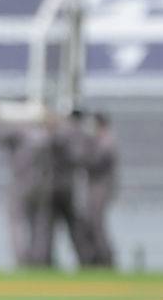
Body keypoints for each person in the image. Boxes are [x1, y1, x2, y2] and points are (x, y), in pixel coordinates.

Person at [0, 103, 53, 266]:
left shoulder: (20, 131)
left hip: (21, 183)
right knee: (41, 224)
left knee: (17, 222)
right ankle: (41, 261)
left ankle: (22, 260)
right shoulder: (47, 133)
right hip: (44, 184)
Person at [48, 111, 97, 267]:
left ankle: (44, 261)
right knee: (76, 228)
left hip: (55, 187)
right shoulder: (84, 136)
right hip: (72, 187)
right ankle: (86, 260)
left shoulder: (61, 133)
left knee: (48, 228)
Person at [83, 112, 118, 267]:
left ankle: (104, 260)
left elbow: (96, 161)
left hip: (101, 188)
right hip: (95, 187)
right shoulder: (101, 140)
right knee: (92, 223)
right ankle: (97, 258)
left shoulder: (106, 141)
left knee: (97, 224)